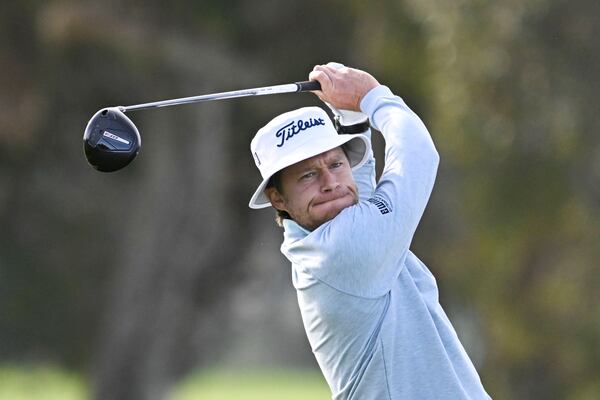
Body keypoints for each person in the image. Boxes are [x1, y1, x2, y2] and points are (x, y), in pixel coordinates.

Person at [248, 63, 491, 400]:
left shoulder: (318, 240)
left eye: (336, 164)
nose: (330, 183)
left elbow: (356, 187)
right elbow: (418, 155)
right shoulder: (343, 250)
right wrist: (374, 97)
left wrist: (349, 115)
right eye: (308, 175)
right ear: (277, 198)